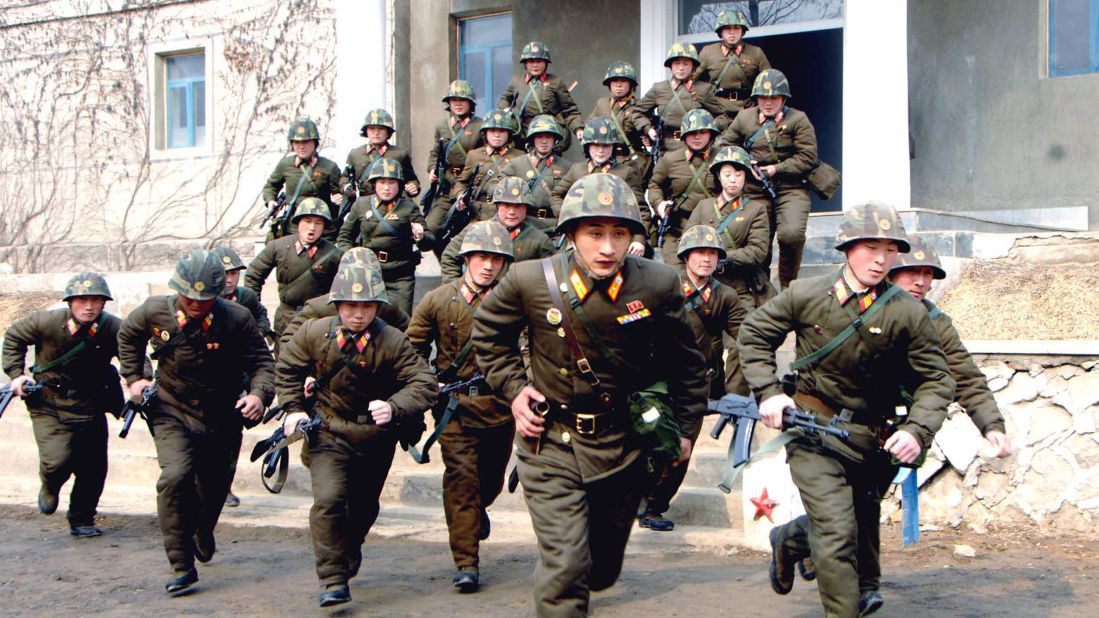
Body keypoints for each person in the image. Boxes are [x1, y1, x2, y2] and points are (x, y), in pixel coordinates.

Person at [472, 173, 708, 616]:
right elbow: (487, 334)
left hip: (624, 445)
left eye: (619, 234)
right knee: (566, 566)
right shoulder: (529, 280)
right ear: (571, 235)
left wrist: (687, 429)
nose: (607, 248)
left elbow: (688, 365)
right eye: (594, 233)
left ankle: (594, 570)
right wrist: (515, 390)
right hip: (550, 441)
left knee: (601, 568)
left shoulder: (657, 284)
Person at [737, 203, 955, 618]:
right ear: (847, 247)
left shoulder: (906, 311)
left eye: (890, 250)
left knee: (850, 526)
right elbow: (754, 333)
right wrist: (768, 392)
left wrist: (917, 430)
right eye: (871, 247)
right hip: (811, 432)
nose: (880, 259)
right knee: (837, 533)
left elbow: (938, 379)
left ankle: (789, 539)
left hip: (869, 439)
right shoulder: (807, 294)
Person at [792, 236, 1014, 616]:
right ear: (889, 275)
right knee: (847, 512)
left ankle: (798, 541)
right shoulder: (851, 308)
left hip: (893, 433)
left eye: (929, 275)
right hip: (836, 426)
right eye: (912, 272)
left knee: (864, 506)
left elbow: (965, 377)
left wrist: (990, 424)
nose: (921, 282)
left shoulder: (934, 323)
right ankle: (859, 585)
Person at [276, 249, 437, 607]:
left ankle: (349, 549)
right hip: (329, 431)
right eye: (349, 305)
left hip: (374, 437)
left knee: (363, 508)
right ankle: (332, 579)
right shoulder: (314, 332)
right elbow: (286, 368)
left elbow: (425, 382)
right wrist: (292, 408)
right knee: (329, 499)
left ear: (378, 306)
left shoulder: (392, 338)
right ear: (336, 304)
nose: (358, 313)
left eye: (366, 306)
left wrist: (395, 406)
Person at [118, 249, 275, 594]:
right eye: (190, 297)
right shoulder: (155, 310)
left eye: (204, 299)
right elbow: (128, 336)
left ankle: (204, 529)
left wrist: (258, 396)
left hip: (222, 414)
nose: (196, 304)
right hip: (171, 407)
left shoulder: (237, 317)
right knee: (175, 477)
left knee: (215, 486)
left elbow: (263, 362)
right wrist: (135, 378)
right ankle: (181, 563)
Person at [407, 220, 515, 592]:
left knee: (490, 483)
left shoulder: (513, 301)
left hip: (501, 405)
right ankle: (466, 562)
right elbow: (412, 351)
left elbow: (532, 347)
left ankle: (477, 511)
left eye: (496, 259)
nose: (488, 266)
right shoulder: (438, 299)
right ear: (467, 258)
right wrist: (426, 381)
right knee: (462, 483)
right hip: (454, 408)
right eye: (482, 257)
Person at [638, 225, 748, 532]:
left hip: (696, 382)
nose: (706, 259)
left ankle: (655, 506)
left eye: (712, 253)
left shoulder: (725, 296)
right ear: (686, 256)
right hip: (656, 377)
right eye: (700, 252)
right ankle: (635, 496)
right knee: (648, 438)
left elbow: (746, 334)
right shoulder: (665, 285)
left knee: (682, 447)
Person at [2, 273, 126, 538]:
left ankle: (82, 518)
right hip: (49, 402)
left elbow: (131, 353)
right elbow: (13, 337)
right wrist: (16, 374)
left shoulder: (112, 328)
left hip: (91, 403)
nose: (89, 306)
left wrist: (140, 380)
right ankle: (50, 483)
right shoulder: (46, 322)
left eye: (96, 300)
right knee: (57, 460)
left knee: (93, 467)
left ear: (104, 304)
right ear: (70, 302)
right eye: (82, 300)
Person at [717, 69, 818, 289]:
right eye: (763, 97)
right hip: (755, 188)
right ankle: (760, 288)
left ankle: (787, 286)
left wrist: (776, 169)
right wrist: (744, 162)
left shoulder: (798, 120)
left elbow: (808, 157)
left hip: (791, 187)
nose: (768, 103)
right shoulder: (745, 118)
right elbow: (725, 145)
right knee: (758, 239)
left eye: (774, 98)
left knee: (791, 234)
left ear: (783, 98)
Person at [212, 245, 273, 508]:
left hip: (238, 379)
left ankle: (223, 488)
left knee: (230, 439)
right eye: (224, 273)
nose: (229, 279)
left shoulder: (245, 297)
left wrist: (256, 333)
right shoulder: (202, 300)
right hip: (208, 378)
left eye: (234, 273)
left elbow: (261, 315)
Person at [337, 158, 434, 316]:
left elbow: (429, 242)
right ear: (374, 183)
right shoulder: (361, 205)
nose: (387, 188)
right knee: (369, 320)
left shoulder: (409, 207)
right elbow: (344, 238)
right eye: (382, 182)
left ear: (399, 184)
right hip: (368, 272)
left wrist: (420, 236)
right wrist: (354, 259)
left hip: (400, 276)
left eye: (392, 182)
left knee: (400, 322)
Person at [244, 198, 343, 347]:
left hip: (319, 320)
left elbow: (343, 290)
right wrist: (254, 310)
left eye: (318, 223)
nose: (312, 228)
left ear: (324, 227)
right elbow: (253, 275)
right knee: (283, 365)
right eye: (307, 221)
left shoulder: (334, 255)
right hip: (286, 319)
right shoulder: (278, 247)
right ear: (298, 222)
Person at [685, 145, 774, 309]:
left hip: (738, 286)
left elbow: (758, 251)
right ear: (719, 176)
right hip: (703, 285)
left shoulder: (756, 209)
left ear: (745, 177)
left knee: (746, 331)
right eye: (727, 174)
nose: (733, 179)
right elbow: (686, 243)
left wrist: (722, 257)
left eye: (738, 175)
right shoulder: (703, 206)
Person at [553, 117, 650, 257]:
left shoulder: (625, 173)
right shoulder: (577, 170)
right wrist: (568, 217)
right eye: (596, 145)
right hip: (582, 233)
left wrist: (639, 239)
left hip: (614, 235)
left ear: (613, 147)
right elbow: (556, 195)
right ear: (588, 146)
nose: (600, 151)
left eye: (606, 146)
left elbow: (641, 210)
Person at [279, 248, 410, 349]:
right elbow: (288, 340)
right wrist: (307, 373)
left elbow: (412, 337)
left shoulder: (387, 306)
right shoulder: (319, 307)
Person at [440, 176, 556, 283]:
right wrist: (457, 289)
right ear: (497, 205)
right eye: (506, 205)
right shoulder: (476, 230)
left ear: (526, 207)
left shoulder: (539, 240)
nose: (511, 212)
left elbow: (552, 274)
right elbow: (449, 257)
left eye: (518, 206)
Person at [647, 108, 720, 264]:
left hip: (714, 228)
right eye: (692, 133)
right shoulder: (670, 160)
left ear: (711, 134)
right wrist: (659, 204)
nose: (697, 137)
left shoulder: (721, 158)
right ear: (684, 136)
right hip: (679, 228)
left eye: (702, 132)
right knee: (676, 277)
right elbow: (655, 185)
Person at [631, 43, 725, 157]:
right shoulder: (659, 88)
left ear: (693, 67)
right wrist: (648, 129)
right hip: (666, 149)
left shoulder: (703, 89)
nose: (681, 68)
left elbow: (722, 117)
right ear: (671, 66)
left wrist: (707, 128)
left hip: (696, 150)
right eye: (677, 63)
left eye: (686, 64)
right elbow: (637, 112)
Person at [424, 80, 485, 251]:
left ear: (470, 103)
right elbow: (435, 153)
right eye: (453, 100)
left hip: (470, 187)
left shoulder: (480, 125)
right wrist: (432, 169)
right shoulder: (441, 127)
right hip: (446, 188)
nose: (458, 104)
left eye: (462, 100)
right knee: (432, 230)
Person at [261, 117, 343, 239]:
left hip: (322, 228)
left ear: (314, 142)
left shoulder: (329, 167)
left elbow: (341, 194)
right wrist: (270, 201)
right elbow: (270, 186)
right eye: (297, 142)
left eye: (305, 142)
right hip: (293, 227)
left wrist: (340, 197)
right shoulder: (286, 164)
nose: (301, 147)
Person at [497, 41, 583, 154]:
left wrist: (579, 128)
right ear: (525, 63)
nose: (535, 65)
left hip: (547, 132)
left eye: (539, 61)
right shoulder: (516, 81)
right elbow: (504, 99)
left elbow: (569, 109)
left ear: (546, 63)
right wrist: (505, 110)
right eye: (531, 61)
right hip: (523, 133)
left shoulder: (556, 82)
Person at [693, 10, 771, 122]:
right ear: (721, 32)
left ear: (742, 31)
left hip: (748, 111)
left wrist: (763, 110)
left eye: (736, 28)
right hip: (717, 113)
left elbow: (769, 85)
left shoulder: (756, 53)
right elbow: (691, 83)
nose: (732, 32)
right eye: (727, 28)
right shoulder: (708, 52)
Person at [499, 114, 572, 234]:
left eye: (548, 137)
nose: (544, 141)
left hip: (554, 224)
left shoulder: (566, 167)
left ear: (555, 140)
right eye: (539, 137)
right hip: (525, 223)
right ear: (532, 139)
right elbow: (496, 186)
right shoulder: (518, 163)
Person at [449, 109, 523, 225]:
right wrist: (460, 195)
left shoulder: (520, 157)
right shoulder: (474, 155)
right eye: (492, 131)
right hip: (478, 214)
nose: (497, 135)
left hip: (507, 215)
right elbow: (461, 182)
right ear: (485, 133)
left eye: (502, 131)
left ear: (509, 134)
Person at [341, 108, 420, 201]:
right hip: (362, 204)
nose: (376, 133)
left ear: (388, 131)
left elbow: (411, 179)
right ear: (366, 131)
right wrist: (346, 187)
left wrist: (413, 187)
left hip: (392, 204)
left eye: (381, 128)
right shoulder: (355, 154)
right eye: (371, 128)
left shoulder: (399, 154)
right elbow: (344, 178)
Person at [589, 61, 649, 173]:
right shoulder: (602, 104)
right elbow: (589, 129)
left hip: (632, 160)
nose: (618, 85)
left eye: (623, 81)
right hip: (607, 160)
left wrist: (648, 138)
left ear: (631, 84)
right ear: (609, 84)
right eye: (614, 81)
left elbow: (651, 130)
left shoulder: (641, 106)